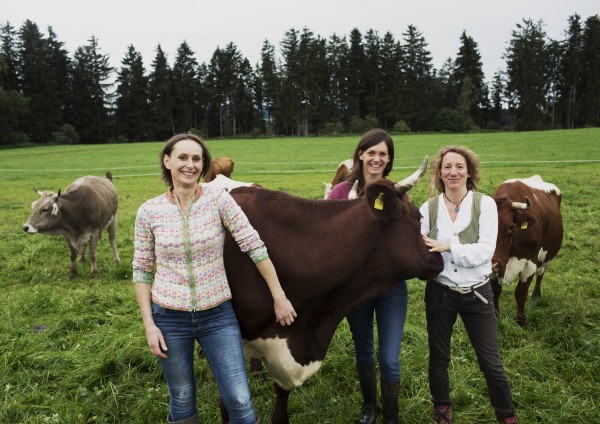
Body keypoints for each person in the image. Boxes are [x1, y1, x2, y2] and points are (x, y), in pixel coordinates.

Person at [133, 133, 297, 424]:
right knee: (182, 396)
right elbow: (143, 269)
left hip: (217, 316)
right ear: (167, 161)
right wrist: (149, 325)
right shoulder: (149, 211)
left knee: (239, 398)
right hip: (169, 317)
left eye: (197, 159)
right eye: (183, 157)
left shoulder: (219, 200)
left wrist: (279, 296)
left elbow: (253, 245)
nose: (190, 164)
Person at [419, 145, 517, 424]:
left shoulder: (484, 204)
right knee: (438, 359)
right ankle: (442, 412)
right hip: (440, 293)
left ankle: (507, 416)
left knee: (491, 362)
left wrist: (447, 246)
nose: (453, 172)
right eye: (447, 167)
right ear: (440, 173)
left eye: (459, 167)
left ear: (469, 172)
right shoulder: (428, 208)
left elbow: (484, 253)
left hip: (478, 294)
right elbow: (421, 247)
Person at [328, 128, 407, 424]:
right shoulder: (339, 194)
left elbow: (406, 240)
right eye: (371, 152)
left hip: (391, 287)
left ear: (389, 160)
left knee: (389, 357)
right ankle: (370, 407)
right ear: (360, 154)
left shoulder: (399, 193)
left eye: (382, 154)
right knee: (363, 350)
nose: (376, 158)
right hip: (356, 289)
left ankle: (392, 418)